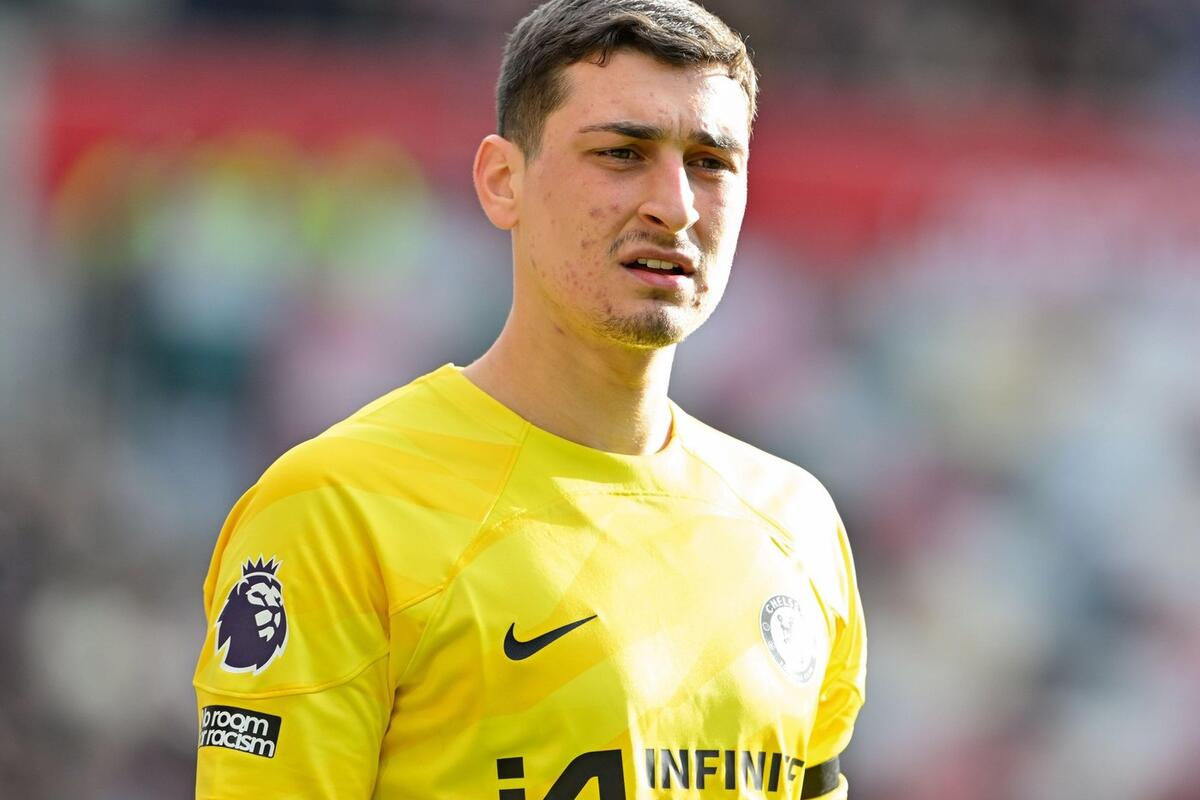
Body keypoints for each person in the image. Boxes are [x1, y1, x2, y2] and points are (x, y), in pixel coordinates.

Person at [192, 0, 866, 797]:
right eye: (622, 153)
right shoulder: (338, 509)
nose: (676, 205)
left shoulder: (797, 523)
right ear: (502, 181)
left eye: (711, 163)